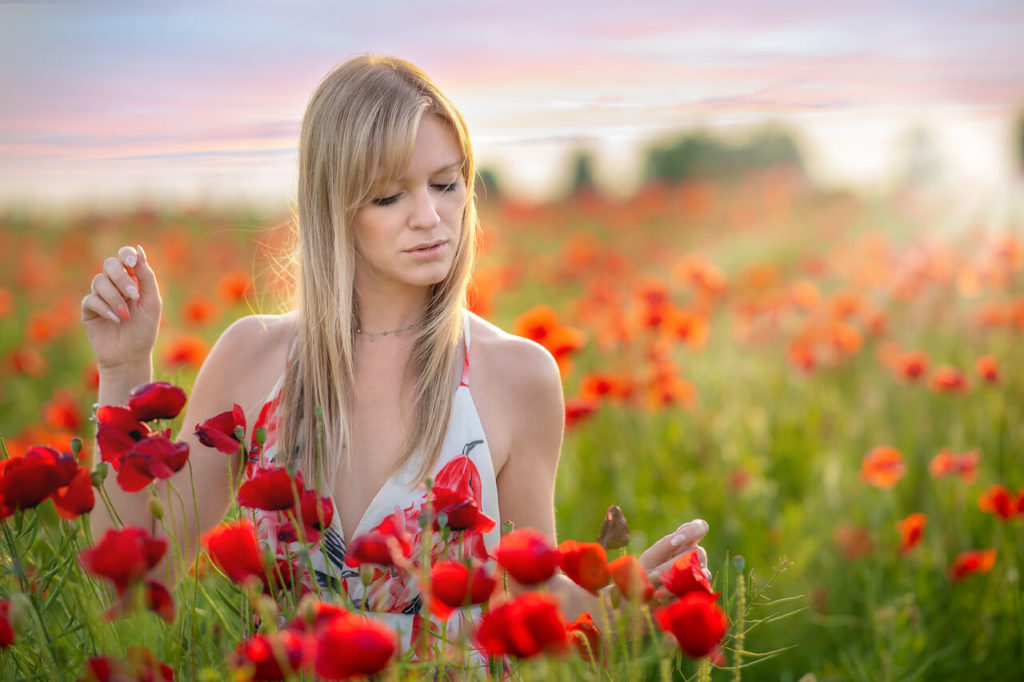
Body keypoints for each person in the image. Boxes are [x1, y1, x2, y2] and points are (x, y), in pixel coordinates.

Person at [80, 55, 710, 646]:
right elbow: (139, 578)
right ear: (335, 206)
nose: (431, 217)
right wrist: (123, 369)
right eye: (390, 196)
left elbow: (528, 596)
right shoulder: (256, 359)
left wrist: (620, 603)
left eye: (445, 184)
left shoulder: (516, 375)